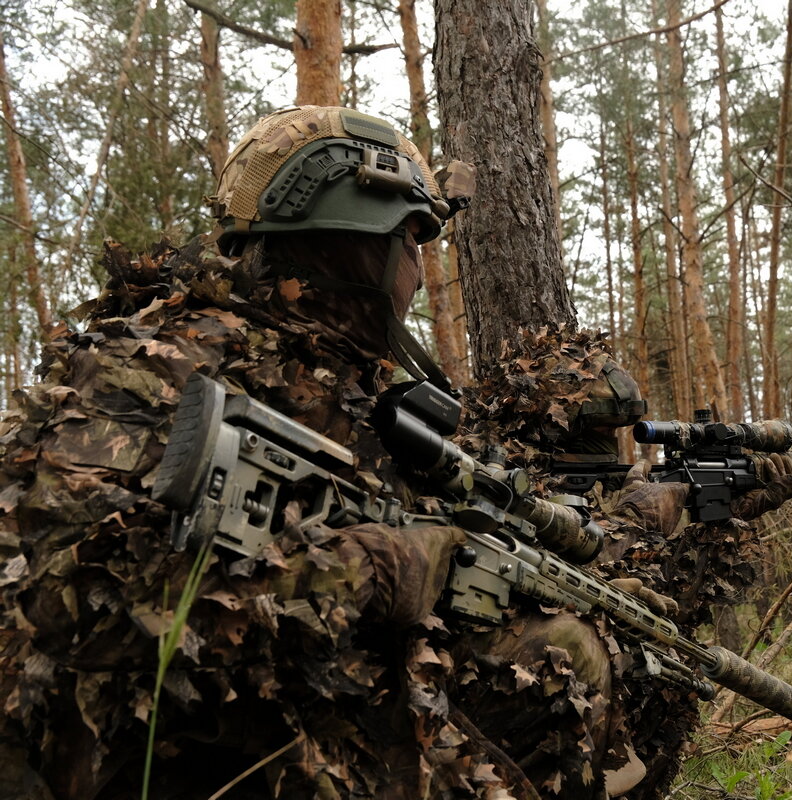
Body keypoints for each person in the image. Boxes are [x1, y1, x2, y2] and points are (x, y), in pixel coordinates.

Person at [0, 105, 652, 799]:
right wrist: (370, 568)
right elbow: (84, 620)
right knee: (557, 658)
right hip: (134, 754)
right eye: (413, 242)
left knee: (565, 641)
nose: (422, 277)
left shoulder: (328, 374)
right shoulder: (154, 368)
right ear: (359, 235)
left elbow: (423, 519)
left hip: (265, 707)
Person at [457, 327, 792, 798]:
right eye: (601, 428)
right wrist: (637, 518)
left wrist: (724, 516)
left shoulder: (581, 478)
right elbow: (562, 576)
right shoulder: (497, 471)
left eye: (618, 427)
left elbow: (655, 596)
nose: (613, 440)